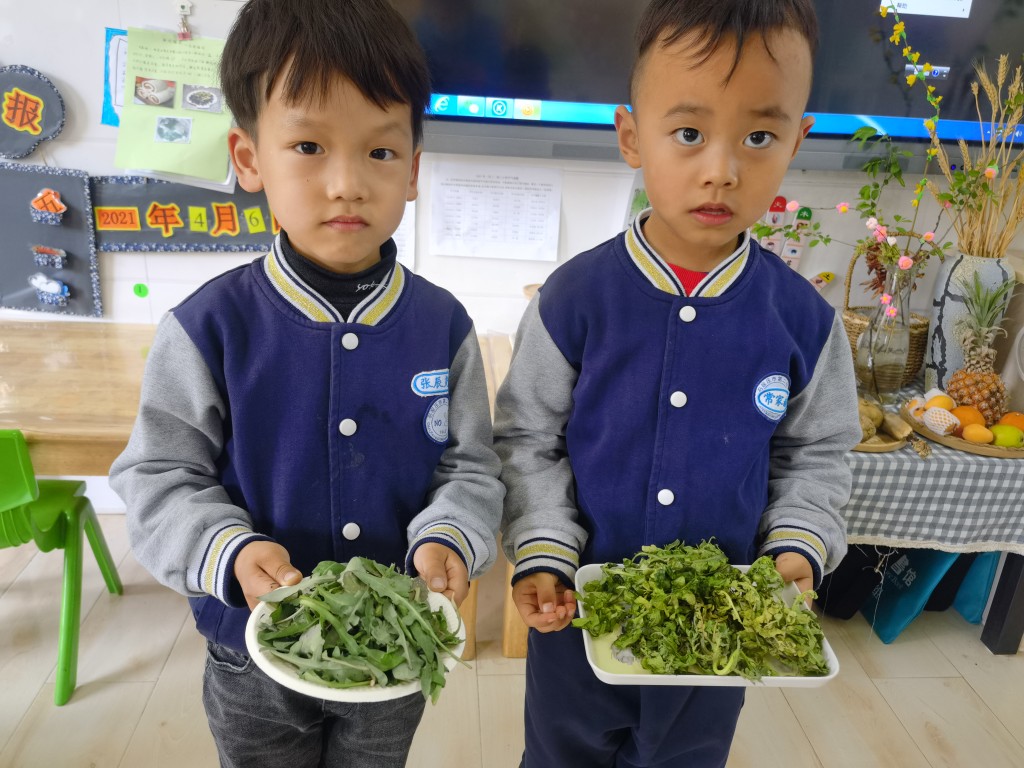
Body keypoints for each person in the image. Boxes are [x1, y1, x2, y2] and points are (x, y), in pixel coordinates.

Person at [109, 1, 504, 766]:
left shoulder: (444, 325)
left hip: (394, 648)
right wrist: (227, 550)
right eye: (309, 146)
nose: (346, 184)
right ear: (249, 158)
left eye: (380, 151)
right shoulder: (208, 326)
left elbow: (470, 467)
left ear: (413, 169)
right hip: (250, 654)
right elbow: (158, 475)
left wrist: (450, 534)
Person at [493, 0, 861, 765]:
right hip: (578, 616)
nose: (721, 169)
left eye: (758, 137)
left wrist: (796, 548)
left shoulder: (804, 321)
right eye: (689, 133)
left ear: (797, 141)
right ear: (632, 136)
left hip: (716, 634)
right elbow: (527, 439)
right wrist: (543, 550)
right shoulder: (573, 300)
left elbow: (817, 454)